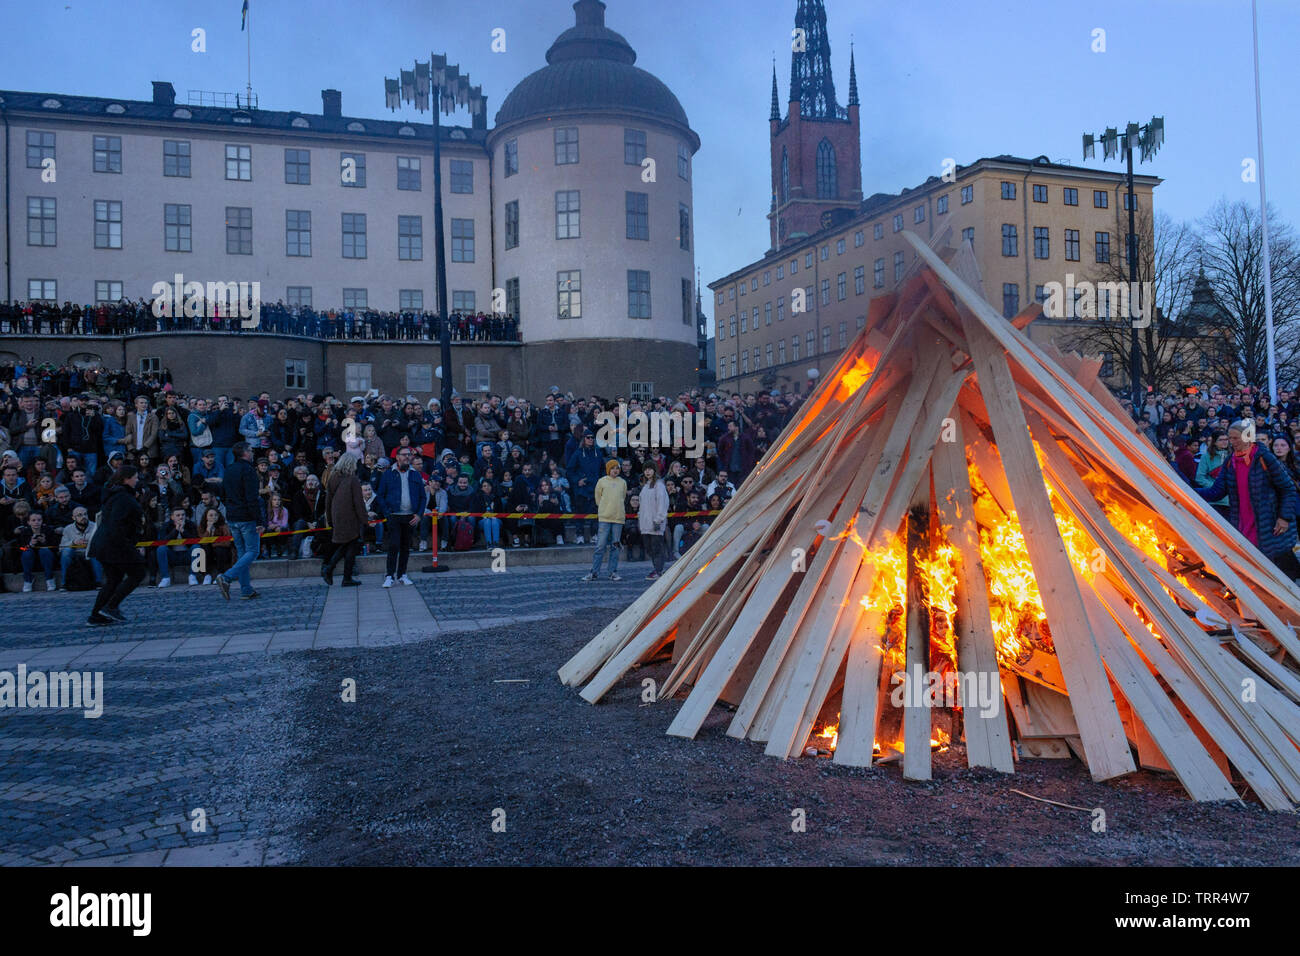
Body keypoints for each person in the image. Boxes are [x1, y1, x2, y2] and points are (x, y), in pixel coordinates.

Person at [1197, 420, 1300, 579]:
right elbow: (1216, 492)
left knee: (1277, 574)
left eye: (1236, 438)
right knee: (1253, 573)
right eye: (1230, 438)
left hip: (1268, 526)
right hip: (1243, 525)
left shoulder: (1264, 458)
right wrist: (1186, 490)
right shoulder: (1231, 461)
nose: (1232, 442)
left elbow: (1288, 488)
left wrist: (1284, 518)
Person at [87, 465, 147, 625]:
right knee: (138, 573)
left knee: (114, 579)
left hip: (106, 544)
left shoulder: (116, 494)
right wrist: (127, 547)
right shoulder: (123, 498)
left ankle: (96, 616)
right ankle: (111, 607)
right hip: (114, 544)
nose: (137, 480)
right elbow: (117, 524)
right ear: (126, 479)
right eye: (135, 477)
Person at [215, 441, 264, 600]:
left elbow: (222, 493)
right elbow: (252, 498)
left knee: (243, 553)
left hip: (232, 516)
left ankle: (246, 589)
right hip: (246, 517)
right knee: (253, 551)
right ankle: (227, 577)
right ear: (244, 453)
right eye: (250, 450)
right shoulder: (248, 470)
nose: (252, 452)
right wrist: (259, 520)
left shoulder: (228, 469)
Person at [376, 445, 426, 587]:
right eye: (404, 454)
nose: (407, 457)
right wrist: (387, 512)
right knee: (393, 545)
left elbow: (422, 497)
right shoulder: (388, 474)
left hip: (410, 516)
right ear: (397, 457)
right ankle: (389, 575)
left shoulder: (415, 474)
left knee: (406, 546)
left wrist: (419, 514)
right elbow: (380, 495)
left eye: (409, 455)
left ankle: (402, 574)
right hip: (394, 515)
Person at [322, 452, 366, 587]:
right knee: (349, 545)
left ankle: (343, 575)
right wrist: (364, 519)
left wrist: (329, 517)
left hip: (337, 515)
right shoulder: (352, 479)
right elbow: (358, 502)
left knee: (347, 545)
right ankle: (332, 570)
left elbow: (328, 500)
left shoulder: (333, 477)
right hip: (350, 516)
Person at [583, 458, 627, 582]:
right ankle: (594, 572)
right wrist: (604, 509)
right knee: (600, 546)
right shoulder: (601, 481)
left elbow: (622, 497)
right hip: (605, 518)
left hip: (618, 519)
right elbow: (598, 498)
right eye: (613, 468)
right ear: (608, 469)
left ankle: (612, 572)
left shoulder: (622, 482)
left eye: (617, 468)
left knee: (615, 545)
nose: (615, 470)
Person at [59, 506, 103, 588]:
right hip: (75, 552)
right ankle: (64, 583)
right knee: (66, 552)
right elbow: (61, 547)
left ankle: (98, 582)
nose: (83, 517)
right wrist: (73, 542)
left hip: (90, 552)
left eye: (85, 514)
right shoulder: (68, 529)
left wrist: (91, 543)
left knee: (96, 552)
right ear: (73, 518)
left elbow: (102, 543)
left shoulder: (95, 526)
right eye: (79, 515)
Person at [638, 464, 669, 579]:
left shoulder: (659, 486)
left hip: (655, 523)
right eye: (645, 469)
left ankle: (658, 570)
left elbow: (662, 504)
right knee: (649, 548)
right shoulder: (645, 486)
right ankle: (658, 568)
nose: (647, 472)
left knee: (656, 548)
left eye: (650, 469)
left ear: (654, 471)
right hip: (645, 524)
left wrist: (659, 520)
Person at [16, 511, 57, 591]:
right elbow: (19, 548)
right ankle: (28, 580)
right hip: (30, 557)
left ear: (42, 521)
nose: (36, 522)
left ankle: (49, 578)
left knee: (44, 550)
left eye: (39, 520)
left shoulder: (48, 530)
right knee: (27, 552)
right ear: (28, 522)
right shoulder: (24, 532)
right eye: (33, 520)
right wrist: (30, 544)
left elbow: (56, 547)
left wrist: (44, 542)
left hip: (46, 557)